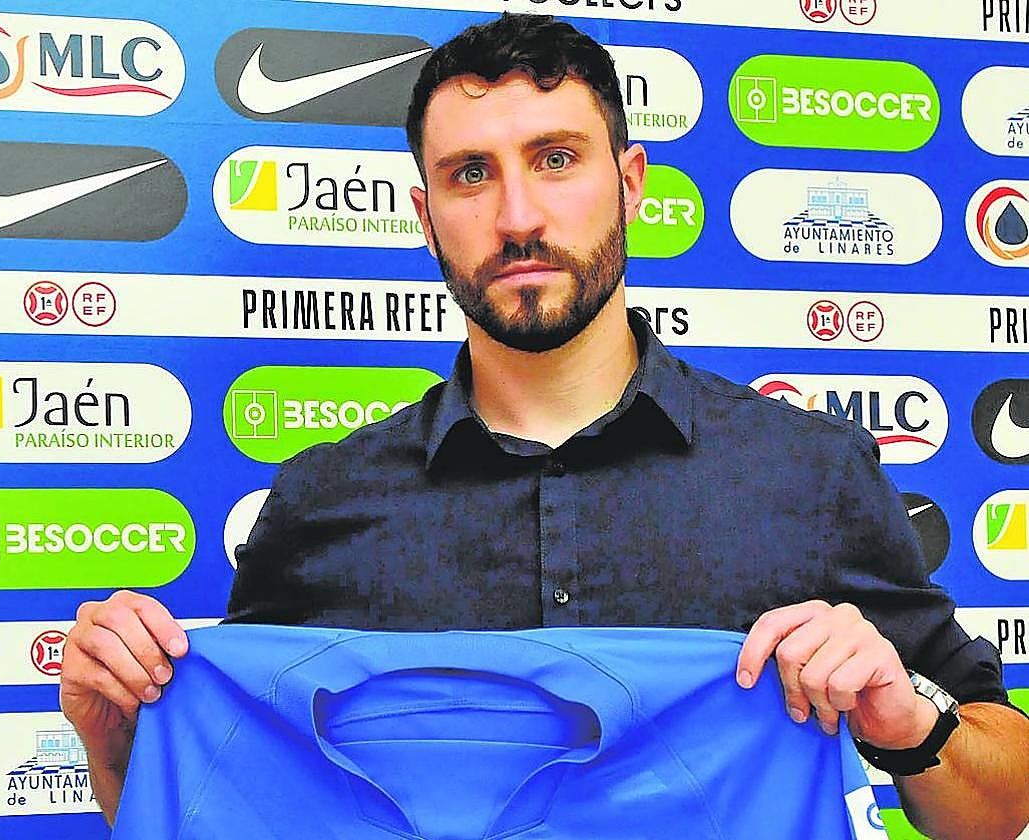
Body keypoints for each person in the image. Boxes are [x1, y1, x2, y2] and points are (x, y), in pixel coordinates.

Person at [61, 13, 1029, 838]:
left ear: (632, 182)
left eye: (556, 159)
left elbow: (1001, 805)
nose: (518, 214)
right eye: (470, 174)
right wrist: (116, 745)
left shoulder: (809, 472)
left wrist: (910, 720)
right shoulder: (323, 498)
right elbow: (244, 805)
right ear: (425, 216)